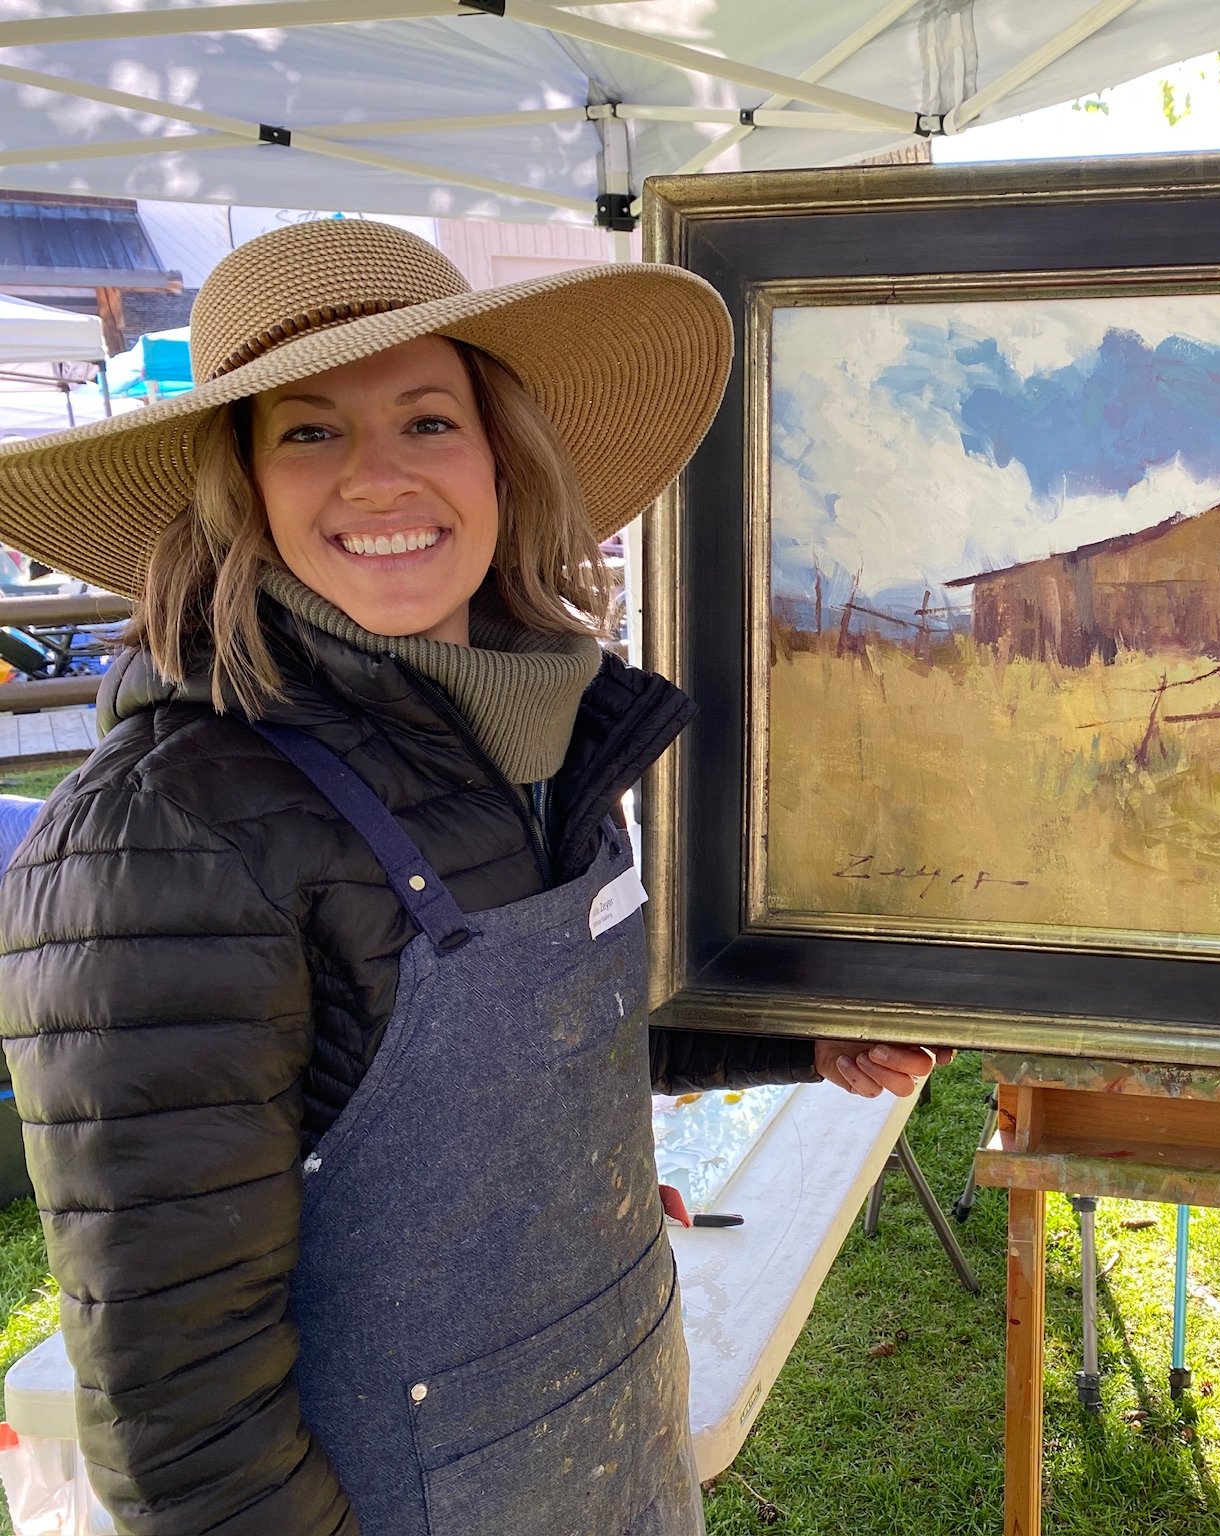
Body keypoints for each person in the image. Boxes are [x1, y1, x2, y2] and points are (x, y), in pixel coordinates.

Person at [0, 219, 944, 1536]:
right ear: (241, 485)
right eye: (311, 432)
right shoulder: (165, 838)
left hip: (616, 1464)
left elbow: (528, 1038)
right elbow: (184, 1429)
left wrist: (799, 1033)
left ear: (502, 457)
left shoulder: (518, 731)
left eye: (428, 421)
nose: (380, 478)